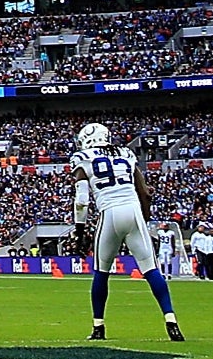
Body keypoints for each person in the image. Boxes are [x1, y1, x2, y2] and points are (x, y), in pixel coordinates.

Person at [69, 123, 182, 342]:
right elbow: (145, 193)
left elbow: (82, 200)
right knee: (151, 270)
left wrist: (80, 231)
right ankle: (171, 321)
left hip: (109, 213)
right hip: (133, 211)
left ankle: (98, 327)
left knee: (102, 272)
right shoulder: (126, 153)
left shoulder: (82, 157)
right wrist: (144, 221)